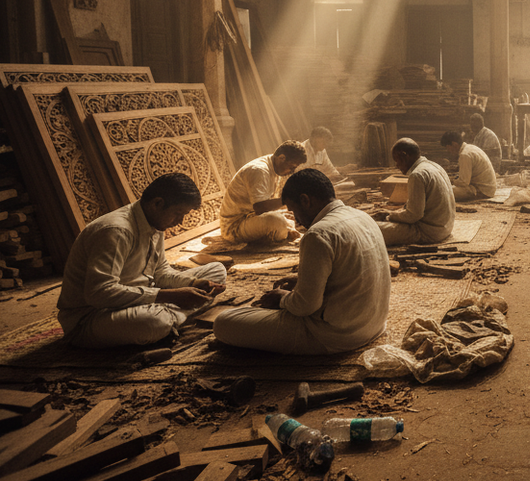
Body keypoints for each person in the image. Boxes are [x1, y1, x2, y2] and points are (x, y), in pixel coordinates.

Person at [214, 169, 391, 354]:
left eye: (293, 210)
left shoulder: (318, 234)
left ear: (306, 200)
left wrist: (281, 298)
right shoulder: (362, 216)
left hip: (336, 336)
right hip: (374, 326)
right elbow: (348, 273)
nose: (296, 220)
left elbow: (305, 306)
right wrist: (303, 280)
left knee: (224, 322)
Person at [57, 173, 227, 348]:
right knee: (153, 322)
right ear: (157, 203)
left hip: (140, 297)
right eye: (177, 213)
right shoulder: (116, 231)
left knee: (216, 270)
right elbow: (99, 293)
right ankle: (173, 317)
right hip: (93, 316)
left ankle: (174, 316)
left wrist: (194, 283)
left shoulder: (155, 223)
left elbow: (160, 272)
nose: (180, 221)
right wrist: (168, 296)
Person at [220, 141, 307, 243]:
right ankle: (279, 232)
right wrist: (287, 199)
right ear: (282, 158)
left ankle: (282, 230)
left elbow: (266, 205)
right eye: (291, 167)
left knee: (290, 215)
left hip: (251, 217)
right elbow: (260, 208)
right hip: (234, 226)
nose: (292, 171)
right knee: (277, 222)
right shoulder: (259, 171)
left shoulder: (273, 167)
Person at [377, 138, 455, 246]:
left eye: (396, 160)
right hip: (446, 228)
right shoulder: (435, 166)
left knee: (373, 229)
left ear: (404, 156)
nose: (396, 165)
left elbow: (413, 216)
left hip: (429, 232)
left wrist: (390, 216)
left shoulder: (417, 175)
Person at [441, 129, 498, 202]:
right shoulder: (470, 148)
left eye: (448, 148)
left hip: (482, 191)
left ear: (454, 144)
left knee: (444, 191)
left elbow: (464, 182)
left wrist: (450, 180)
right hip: (488, 189)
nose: (448, 151)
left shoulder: (465, 155)